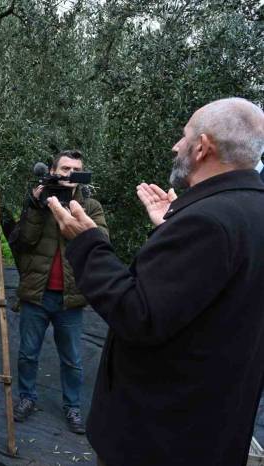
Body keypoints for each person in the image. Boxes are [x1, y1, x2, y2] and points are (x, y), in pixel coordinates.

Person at [47, 97, 264, 466]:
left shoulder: (208, 222)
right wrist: (173, 223)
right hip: (213, 428)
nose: (176, 146)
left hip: (161, 436)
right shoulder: (245, 209)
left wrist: (86, 243)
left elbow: (139, 314)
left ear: (202, 147)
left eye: (183, 136)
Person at [9, 149, 108, 434]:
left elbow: (99, 243)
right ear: (53, 170)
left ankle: (72, 406)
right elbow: (23, 242)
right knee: (28, 353)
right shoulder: (38, 203)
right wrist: (37, 207)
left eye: (75, 169)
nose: (68, 174)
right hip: (36, 295)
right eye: (64, 168)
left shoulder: (90, 206)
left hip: (70, 297)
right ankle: (27, 398)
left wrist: (68, 214)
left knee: (72, 359)